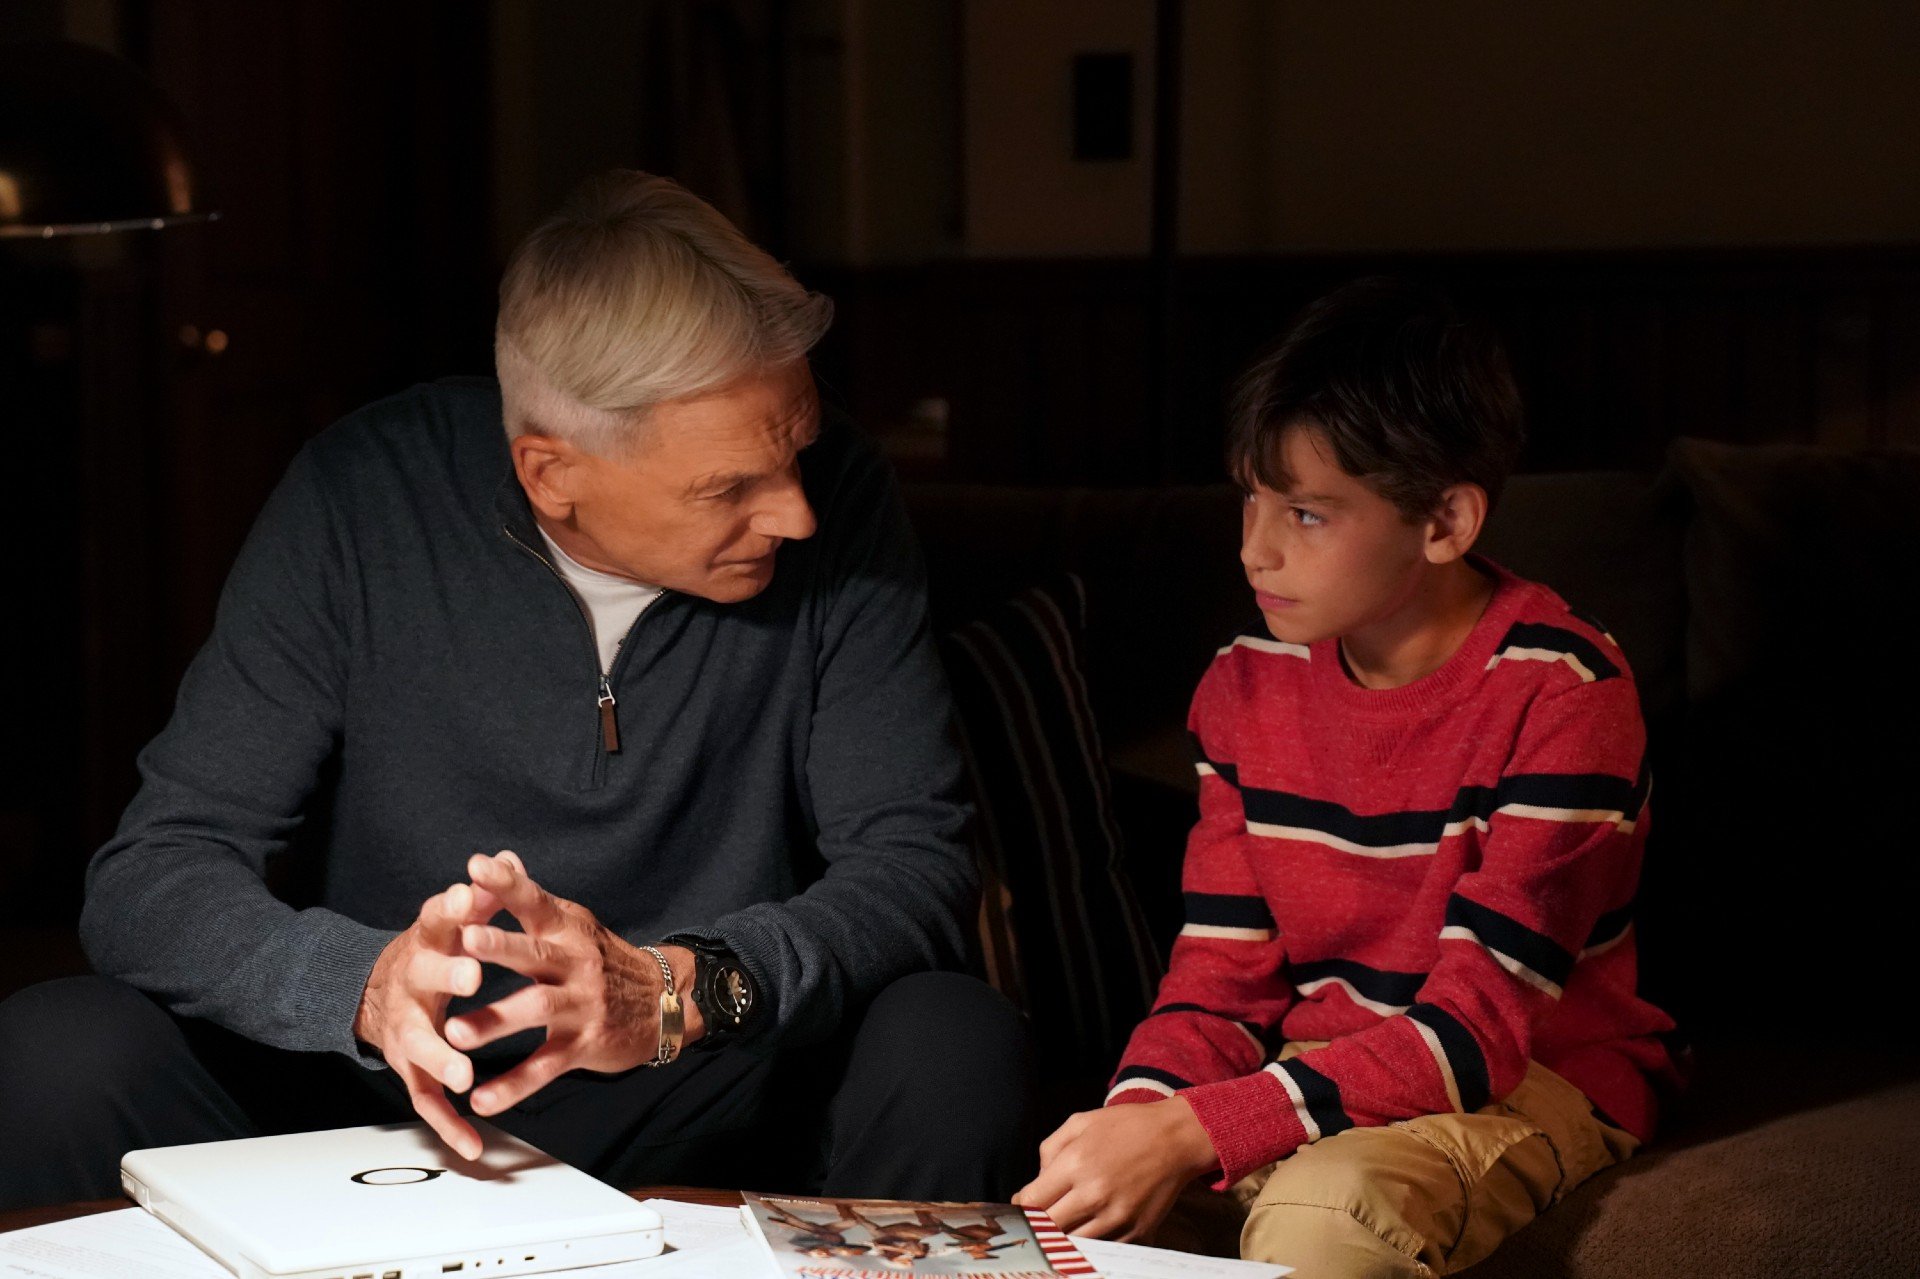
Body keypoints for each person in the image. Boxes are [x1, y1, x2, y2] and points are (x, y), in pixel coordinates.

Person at [0, 171, 1033, 1211]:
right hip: (383, 1095)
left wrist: (682, 989)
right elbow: (154, 874)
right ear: (552, 473)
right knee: (54, 1050)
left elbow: (915, 867)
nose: (799, 514)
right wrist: (365, 989)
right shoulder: (364, 497)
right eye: (729, 488)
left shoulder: (845, 503)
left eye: (796, 453)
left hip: (706, 1078)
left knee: (953, 1037)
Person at [1013, 278, 1679, 1276]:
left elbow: (1475, 1034)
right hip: (1322, 1073)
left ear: (1446, 520)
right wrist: (1139, 1120)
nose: (1254, 547)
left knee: (1328, 1213)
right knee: (1083, 1204)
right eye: (1251, 496)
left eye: (1309, 514)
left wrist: (1203, 1132)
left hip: (1530, 1073)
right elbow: (1218, 984)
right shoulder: (1245, 684)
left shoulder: (1564, 691)